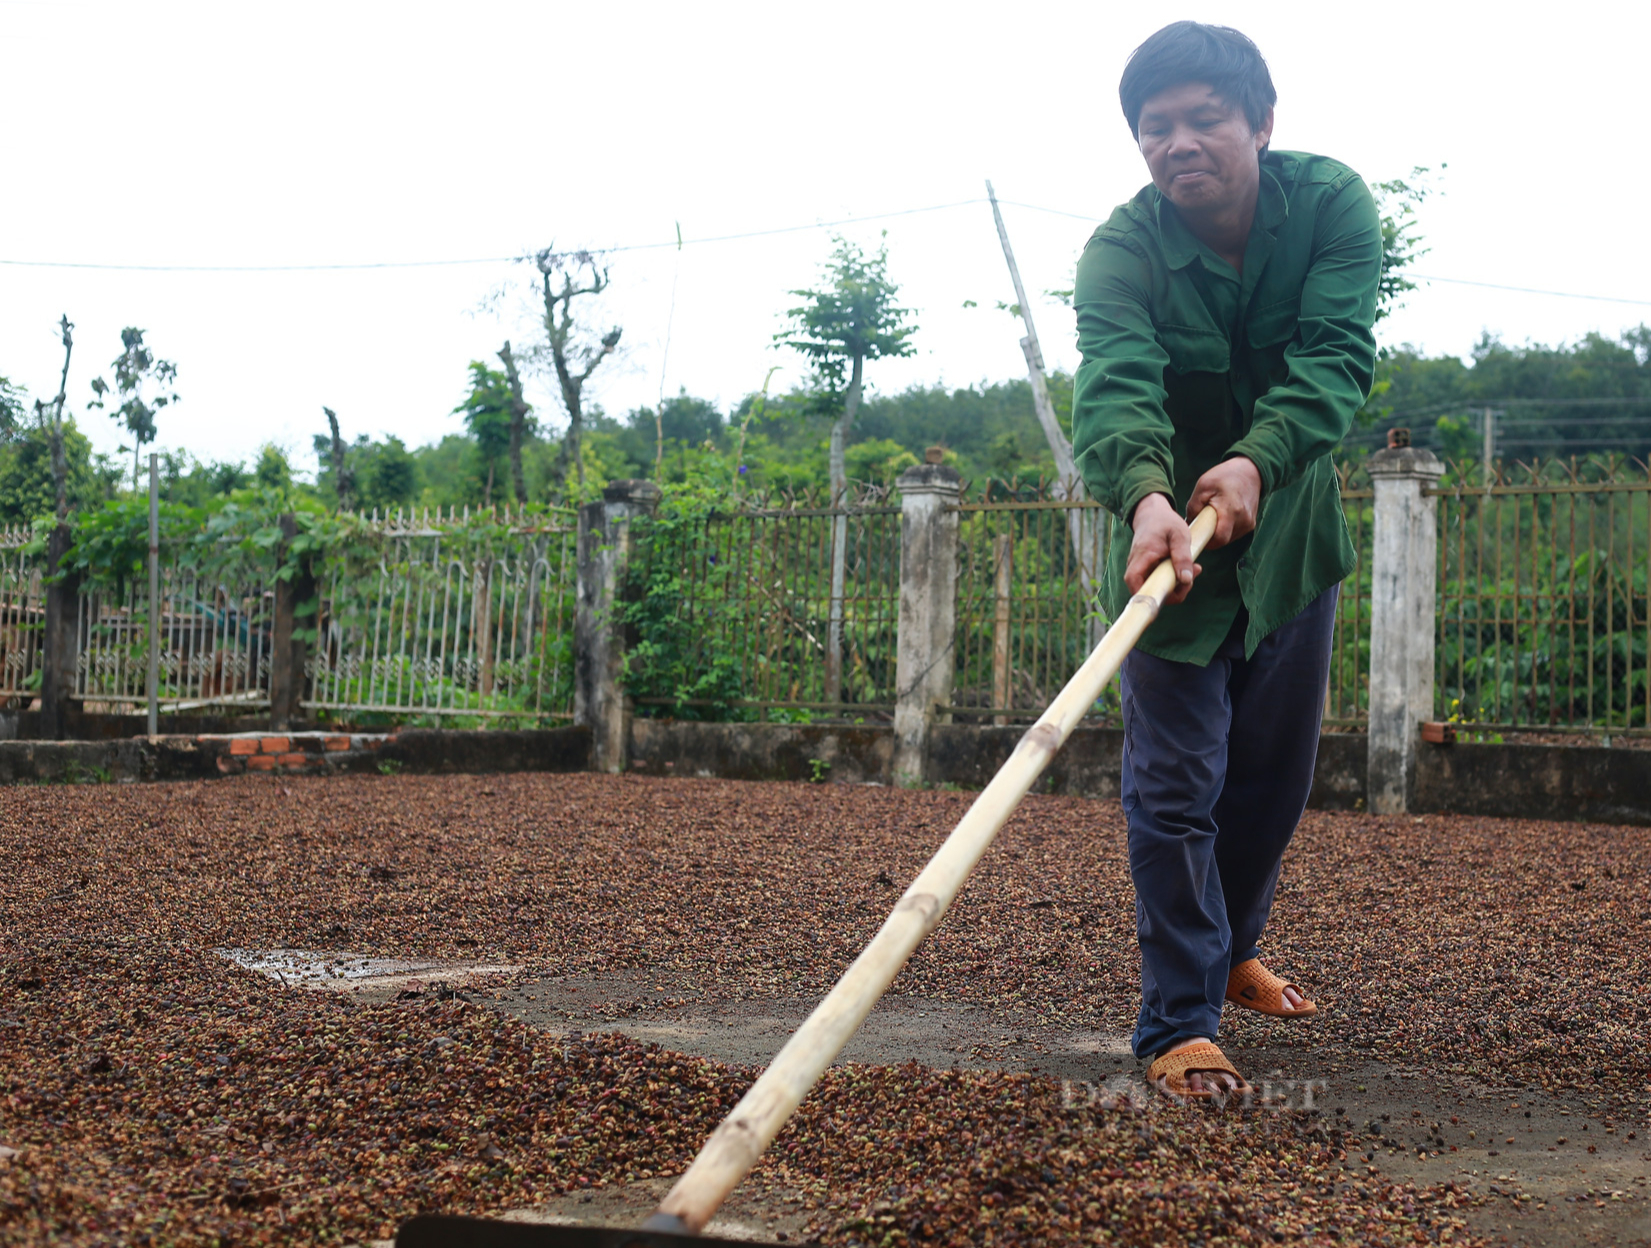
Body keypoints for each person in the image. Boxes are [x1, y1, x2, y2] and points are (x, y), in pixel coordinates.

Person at [1070, 21, 1382, 1101]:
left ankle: (1233, 947)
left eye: (1204, 118)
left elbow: (1335, 357)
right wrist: (1150, 495)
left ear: (1260, 121)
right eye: (1155, 127)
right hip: (1172, 559)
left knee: (1267, 783)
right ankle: (1176, 1022)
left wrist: (1256, 462)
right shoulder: (1121, 248)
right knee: (1174, 788)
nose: (1178, 142)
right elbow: (1116, 384)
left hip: (1290, 541)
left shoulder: (1333, 206)